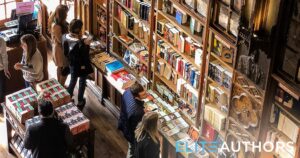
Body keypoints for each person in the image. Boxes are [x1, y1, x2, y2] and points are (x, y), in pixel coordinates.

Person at [62, 19, 93, 109]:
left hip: (72, 63)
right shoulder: (79, 43)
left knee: (73, 80)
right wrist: (87, 42)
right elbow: (85, 54)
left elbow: (65, 51)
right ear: (78, 30)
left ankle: (68, 98)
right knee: (82, 82)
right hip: (81, 65)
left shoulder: (64, 36)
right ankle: (80, 100)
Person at [118, 82, 147, 158]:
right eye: (143, 94)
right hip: (131, 133)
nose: (146, 95)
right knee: (132, 150)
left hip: (124, 121)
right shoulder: (138, 112)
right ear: (136, 96)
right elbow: (136, 129)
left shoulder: (127, 92)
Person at [50, 5, 69, 85]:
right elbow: (60, 40)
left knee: (61, 67)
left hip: (60, 48)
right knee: (62, 67)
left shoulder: (61, 22)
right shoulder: (56, 26)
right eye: (66, 13)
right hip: (59, 49)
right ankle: (60, 85)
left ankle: (60, 84)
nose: (67, 15)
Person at [0, 37, 10, 112]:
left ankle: (2, 109)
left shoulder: (1, 41)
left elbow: (4, 56)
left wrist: (6, 69)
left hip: (1, 69)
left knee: (2, 90)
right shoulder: (1, 40)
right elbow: (4, 56)